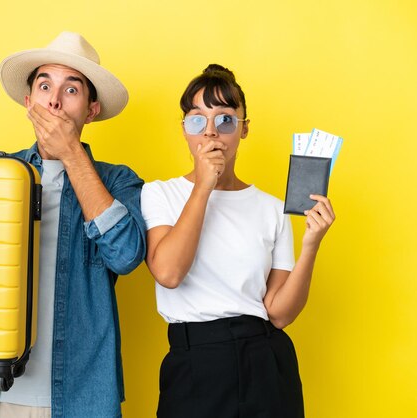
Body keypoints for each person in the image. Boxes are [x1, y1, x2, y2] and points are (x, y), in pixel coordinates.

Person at [0, 32, 146, 418]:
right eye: (44, 86)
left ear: (91, 110)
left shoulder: (118, 182)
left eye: (71, 90)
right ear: (29, 103)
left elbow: (126, 254)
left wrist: (70, 152)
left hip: (79, 396)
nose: (55, 101)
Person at [140, 64, 336, 418]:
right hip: (194, 363)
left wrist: (311, 245)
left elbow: (279, 313)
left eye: (226, 120)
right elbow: (168, 273)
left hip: (265, 361)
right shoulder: (160, 194)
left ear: (244, 129)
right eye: (198, 120)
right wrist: (204, 184)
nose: (212, 133)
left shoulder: (273, 209)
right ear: (184, 129)